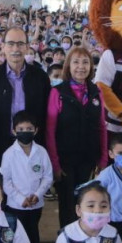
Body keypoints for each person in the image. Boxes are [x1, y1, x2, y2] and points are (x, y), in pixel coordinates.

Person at [45, 46, 107, 227]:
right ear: (68, 66)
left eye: (85, 62)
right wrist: (55, 164)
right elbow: (50, 131)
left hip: (88, 159)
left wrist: (103, 159)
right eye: (76, 62)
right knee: (68, 205)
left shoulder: (96, 92)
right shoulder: (58, 92)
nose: (81, 66)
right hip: (65, 161)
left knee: (87, 202)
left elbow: (101, 127)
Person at [0, 27, 51, 166]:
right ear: (3, 46)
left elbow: (45, 116)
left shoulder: (40, 77)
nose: (15, 48)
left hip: (33, 146)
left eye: (20, 44)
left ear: (27, 47)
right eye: (11, 44)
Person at [0, 110, 53, 243]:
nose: (25, 132)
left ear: (36, 130)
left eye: (29, 128)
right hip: (16, 205)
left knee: (32, 233)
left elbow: (47, 176)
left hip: (35, 203)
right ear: (14, 131)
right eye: (21, 129)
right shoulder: (8, 154)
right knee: (13, 234)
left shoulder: (41, 152)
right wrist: (20, 199)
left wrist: (37, 195)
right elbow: (5, 181)